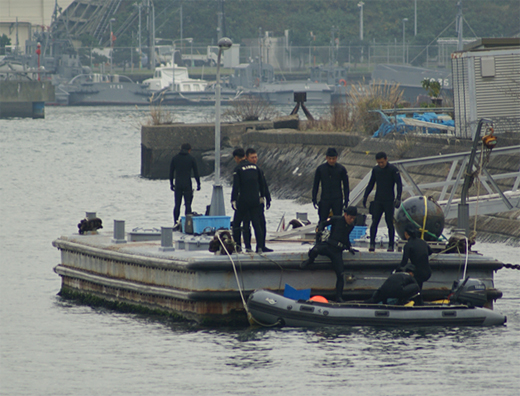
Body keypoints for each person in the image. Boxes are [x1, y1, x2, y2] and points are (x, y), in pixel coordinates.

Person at [300, 206, 358, 302]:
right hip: (328, 246)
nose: (352, 220)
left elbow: (345, 237)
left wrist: (349, 247)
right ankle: (310, 260)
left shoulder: (351, 226)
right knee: (314, 250)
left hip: (337, 252)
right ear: (345, 215)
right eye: (350, 217)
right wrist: (320, 230)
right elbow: (323, 223)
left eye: (353, 218)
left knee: (340, 274)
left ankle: (339, 297)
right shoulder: (337, 219)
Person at [362, 151, 403, 252]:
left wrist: (398, 198)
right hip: (378, 200)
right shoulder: (376, 170)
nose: (380, 164)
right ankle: (372, 244)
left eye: (382, 162)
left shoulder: (393, 170)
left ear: (386, 159)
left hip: (389, 201)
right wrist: (365, 196)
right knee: (374, 222)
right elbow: (371, 184)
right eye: (378, 162)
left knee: (389, 223)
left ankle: (391, 245)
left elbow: (399, 184)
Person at [231, 148, 267, 253]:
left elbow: (236, 186)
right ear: (245, 156)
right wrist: (262, 197)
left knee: (237, 223)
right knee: (257, 224)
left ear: (236, 158)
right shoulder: (256, 168)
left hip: (243, 201)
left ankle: (238, 247)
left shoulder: (238, 169)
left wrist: (233, 199)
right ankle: (260, 247)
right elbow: (262, 184)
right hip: (255, 200)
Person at [242, 148, 273, 253]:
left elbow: (263, 185)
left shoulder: (258, 169)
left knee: (261, 224)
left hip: (258, 202)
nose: (255, 159)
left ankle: (261, 246)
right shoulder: (242, 170)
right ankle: (248, 246)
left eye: (256, 157)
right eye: (252, 157)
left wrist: (267, 198)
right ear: (246, 157)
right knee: (246, 224)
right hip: (246, 202)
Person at [312, 147, 350, 223]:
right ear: (326, 158)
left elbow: (346, 186)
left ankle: (336, 234)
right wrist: (314, 198)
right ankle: (321, 234)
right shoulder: (321, 169)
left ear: (336, 158)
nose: (331, 161)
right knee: (322, 221)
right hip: (325, 199)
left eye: (333, 158)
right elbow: (316, 185)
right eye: (330, 158)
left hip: (337, 199)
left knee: (338, 221)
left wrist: (346, 199)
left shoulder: (341, 169)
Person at [396, 224, 433, 300]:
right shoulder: (422, 242)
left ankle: (415, 300)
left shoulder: (408, 245)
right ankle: (418, 300)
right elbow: (430, 252)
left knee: (412, 284)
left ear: (406, 233)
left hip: (417, 273)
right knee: (418, 287)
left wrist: (397, 270)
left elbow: (404, 262)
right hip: (427, 272)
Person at [169, 143, 200, 226]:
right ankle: (188, 224)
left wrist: (171, 184)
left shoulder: (175, 158)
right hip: (187, 184)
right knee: (188, 204)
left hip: (178, 183)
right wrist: (198, 184)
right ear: (189, 150)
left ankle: (175, 222)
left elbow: (171, 173)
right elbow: (196, 173)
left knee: (177, 204)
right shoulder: (191, 159)